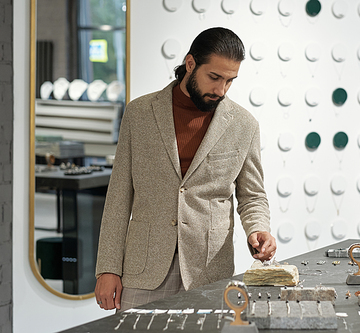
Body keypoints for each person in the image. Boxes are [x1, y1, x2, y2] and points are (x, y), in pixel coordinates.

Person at [94, 27, 276, 311]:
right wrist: (107, 267)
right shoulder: (139, 114)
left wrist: (258, 229)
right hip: (143, 269)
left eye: (230, 81)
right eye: (214, 77)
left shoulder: (244, 125)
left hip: (209, 270)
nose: (220, 90)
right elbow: (119, 196)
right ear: (190, 64)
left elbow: (252, 195)